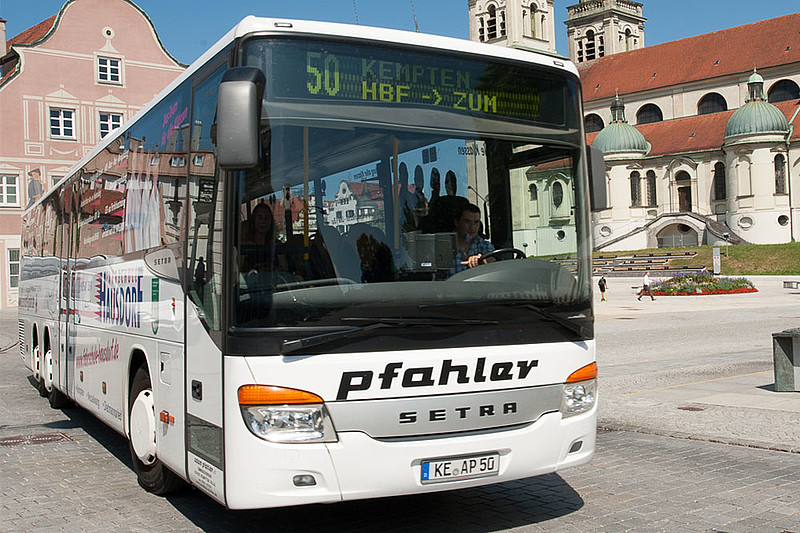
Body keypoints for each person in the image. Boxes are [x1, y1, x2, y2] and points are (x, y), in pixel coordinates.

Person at [453, 203, 494, 273]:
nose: (472, 227)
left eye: (476, 222)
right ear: (456, 222)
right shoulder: (444, 246)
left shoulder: (485, 245)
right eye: (467, 222)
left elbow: (492, 259)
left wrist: (483, 260)